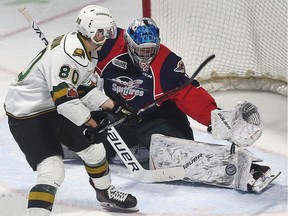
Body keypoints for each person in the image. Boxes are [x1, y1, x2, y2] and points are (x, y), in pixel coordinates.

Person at [95, 17, 280, 193]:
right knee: (86, 139)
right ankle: (138, 148)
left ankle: (244, 170)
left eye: (151, 50)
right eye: (142, 50)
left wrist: (215, 119)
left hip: (156, 120)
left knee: (176, 155)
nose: (146, 56)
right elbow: (79, 64)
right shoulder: (107, 45)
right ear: (128, 43)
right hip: (117, 118)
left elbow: (188, 94)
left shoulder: (167, 64)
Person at [4, 5, 138, 215]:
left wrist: (114, 107)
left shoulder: (87, 51)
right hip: (27, 114)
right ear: (93, 32)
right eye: (105, 32)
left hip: (52, 106)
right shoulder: (66, 56)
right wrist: (92, 124)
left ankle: (105, 194)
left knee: (94, 150)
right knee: (52, 170)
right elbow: (66, 101)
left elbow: (82, 88)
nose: (109, 36)